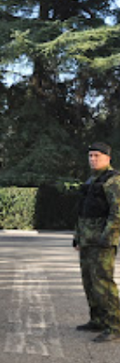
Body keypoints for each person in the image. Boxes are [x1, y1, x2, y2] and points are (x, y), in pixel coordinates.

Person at [74, 142, 120, 343]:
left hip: (102, 241)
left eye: (97, 156)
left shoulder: (113, 180)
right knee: (89, 282)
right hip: (87, 240)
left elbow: (117, 213)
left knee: (103, 283)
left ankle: (115, 326)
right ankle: (98, 320)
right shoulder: (91, 180)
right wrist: (77, 237)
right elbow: (82, 212)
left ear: (108, 158)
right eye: (91, 156)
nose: (93, 159)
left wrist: (107, 238)